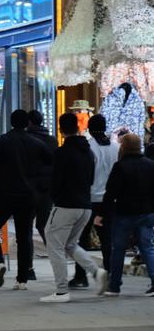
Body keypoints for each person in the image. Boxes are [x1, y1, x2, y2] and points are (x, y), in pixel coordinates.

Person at [0, 110, 53, 290]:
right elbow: (50, 161)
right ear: (27, 123)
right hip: (28, 195)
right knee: (24, 235)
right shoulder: (36, 143)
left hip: (5, 194)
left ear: (11, 122)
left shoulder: (3, 140)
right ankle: (22, 279)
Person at [40, 112, 107, 303]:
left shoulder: (61, 153)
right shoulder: (89, 152)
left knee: (53, 243)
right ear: (78, 127)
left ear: (61, 130)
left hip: (65, 205)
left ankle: (61, 291)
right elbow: (92, 179)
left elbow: (56, 181)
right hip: (85, 205)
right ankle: (96, 271)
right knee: (69, 243)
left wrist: (53, 197)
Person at [97, 134, 154, 297]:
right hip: (147, 212)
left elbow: (111, 192)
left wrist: (101, 213)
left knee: (119, 250)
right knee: (147, 247)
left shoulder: (120, 166)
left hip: (125, 213)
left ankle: (115, 285)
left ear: (124, 147)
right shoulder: (151, 165)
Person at [71, 114, 119, 288]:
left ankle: (80, 276)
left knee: (81, 238)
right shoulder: (115, 147)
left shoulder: (87, 147)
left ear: (89, 128)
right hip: (110, 200)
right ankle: (111, 275)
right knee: (108, 240)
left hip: (88, 198)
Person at [25, 110, 58, 243]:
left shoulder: (26, 139)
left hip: (28, 186)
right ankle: (53, 251)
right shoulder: (52, 140)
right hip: (47, 187)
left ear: (29, 122)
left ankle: (27, 261)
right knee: (43, 224)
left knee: (25, 225)